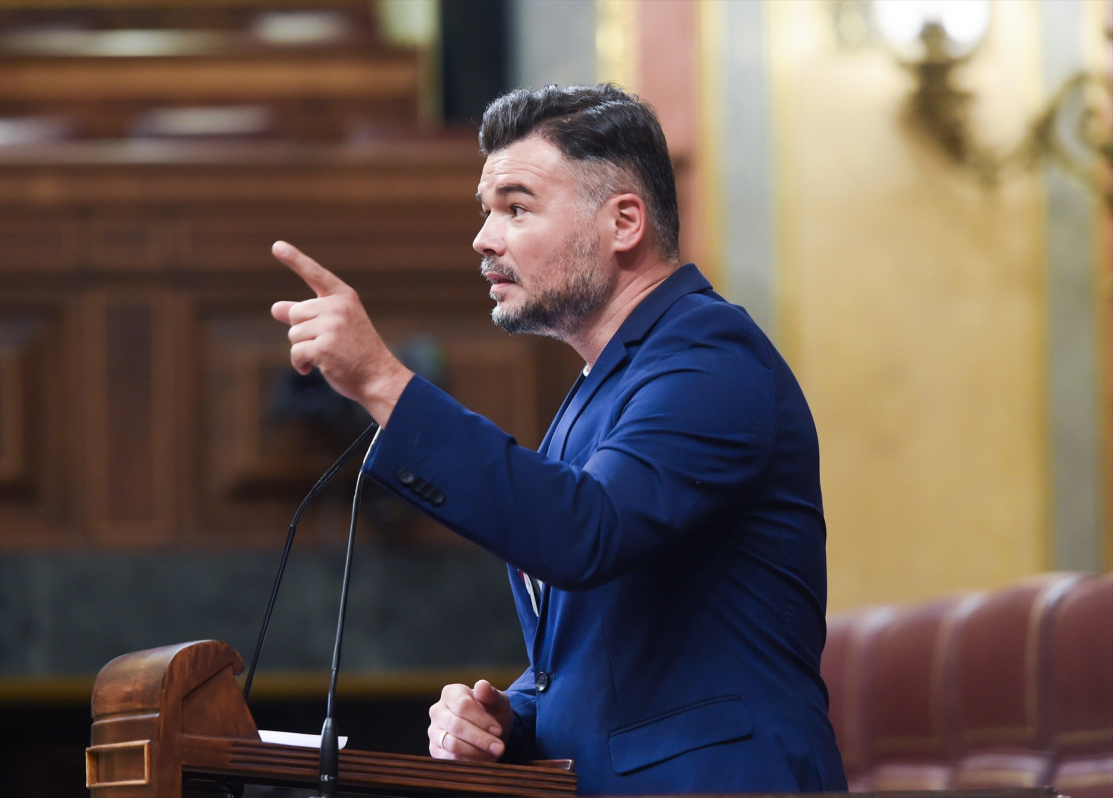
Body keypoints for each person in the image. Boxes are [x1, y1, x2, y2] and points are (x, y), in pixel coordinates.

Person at [270, 83, 847, 794]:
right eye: (486, 212)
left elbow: (586, 533)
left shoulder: (712, 359)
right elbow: (605, 647)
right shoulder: (598, 390)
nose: (484, 238)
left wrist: (385, 385)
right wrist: (510, 718)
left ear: (624, 222)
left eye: (516, 207)